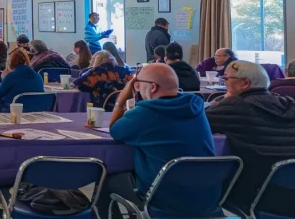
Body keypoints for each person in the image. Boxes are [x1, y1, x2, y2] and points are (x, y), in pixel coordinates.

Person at [98, 63, 215, 218]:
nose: (136, 87)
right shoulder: (195, 105)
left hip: (164, 197)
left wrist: (122, 98)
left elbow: (114, 130)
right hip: (206, 196)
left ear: (152, 87)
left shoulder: (145, 113)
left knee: (105, 180)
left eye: (137, 83)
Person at [206, 60, 295, 216]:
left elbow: (200, 123)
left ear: (245, 83)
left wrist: (221, 100)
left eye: (226, 78)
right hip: (288, 191)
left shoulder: (231, 107)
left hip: (257, 194)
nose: (224, 82)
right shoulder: (289, 104)